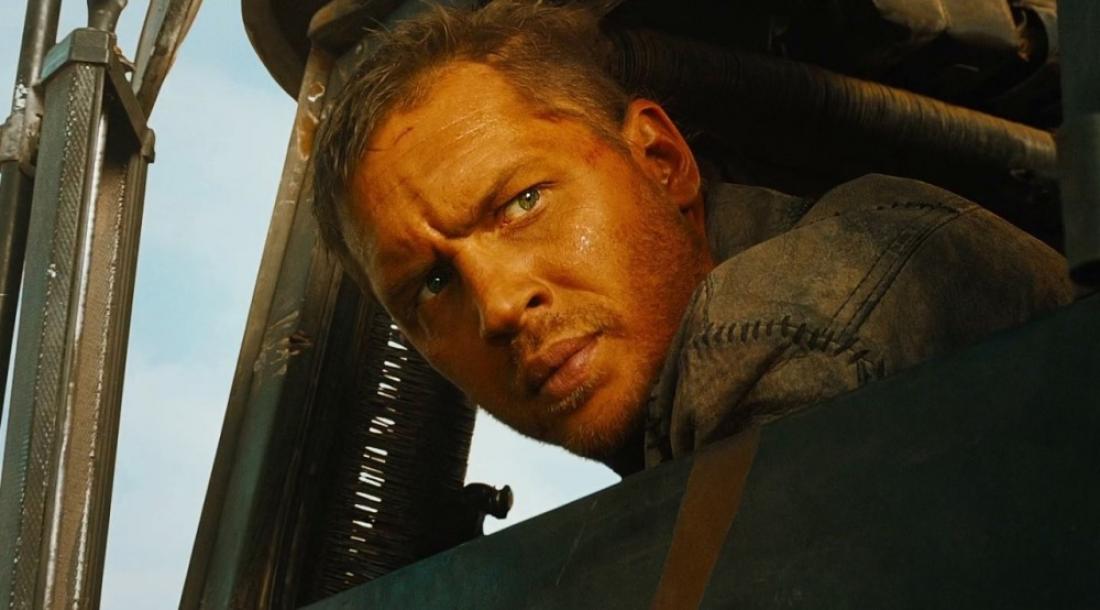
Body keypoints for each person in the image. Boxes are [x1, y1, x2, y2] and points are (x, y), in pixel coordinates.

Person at [311, 1, 1073, 476]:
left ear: (662, 160)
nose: (500, 305)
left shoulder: (777, 332)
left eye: (523, 202)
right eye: (432, 284)